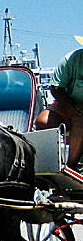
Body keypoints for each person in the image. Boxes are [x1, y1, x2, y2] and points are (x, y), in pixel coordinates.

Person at [36, 37, 83, 166]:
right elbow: (56, 88)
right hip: (68, 105)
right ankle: (48, 165)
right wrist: (72, 107)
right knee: (43, 121)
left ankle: (71, 168)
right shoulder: (71, 59)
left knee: (80, 121)